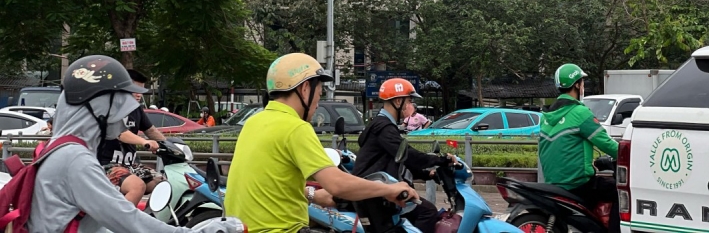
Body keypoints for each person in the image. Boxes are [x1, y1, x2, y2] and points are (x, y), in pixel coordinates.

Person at [28, 55, 244, 233]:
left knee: (159, 180)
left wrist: (168, 144)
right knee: (136, 186)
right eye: (120, 103)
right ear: (99, 106)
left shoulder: (63, 149)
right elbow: (129, 222)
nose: (125, 110)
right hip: (112, 166)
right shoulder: (75, 160)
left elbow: (96, 225)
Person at [225, 53, 419, 233]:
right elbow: (337, 184)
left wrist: (312, 195)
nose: (318, 103)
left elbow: (271, 181)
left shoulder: (253, 122)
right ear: (305, 89)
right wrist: (390, 189)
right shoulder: (295, 127)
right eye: (319, 94)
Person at [353, 78, 456, 233]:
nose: (410, 106)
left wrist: (428, 173)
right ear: (398, 101)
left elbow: (399, 161)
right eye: (408, 101)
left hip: (375, 189)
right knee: (427, 212)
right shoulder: (384, 127)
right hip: (373, 193)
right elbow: (409, 155)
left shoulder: (382, 125)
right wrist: (441, 160)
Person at [539, 64, 620, 233]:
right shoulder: (580, 113)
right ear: (576, 85)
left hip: (552, 183)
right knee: (618, 191)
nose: (583, 86)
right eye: (582, 82)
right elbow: (607, 144)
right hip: (577, 184)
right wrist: (629, 154)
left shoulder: (545, 117)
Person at [98, 68, 166, 205]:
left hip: (129, 165)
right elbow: (120, 133)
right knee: (137, 186)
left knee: (162, 182)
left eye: (141, 90)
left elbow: (151, 131)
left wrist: (170, 145)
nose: (139, 94)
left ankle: (149, 219)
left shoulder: (136, 109)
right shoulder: (110, 108)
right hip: (106, 165)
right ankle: (118, 223)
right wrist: (145, 142)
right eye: (135, 89)